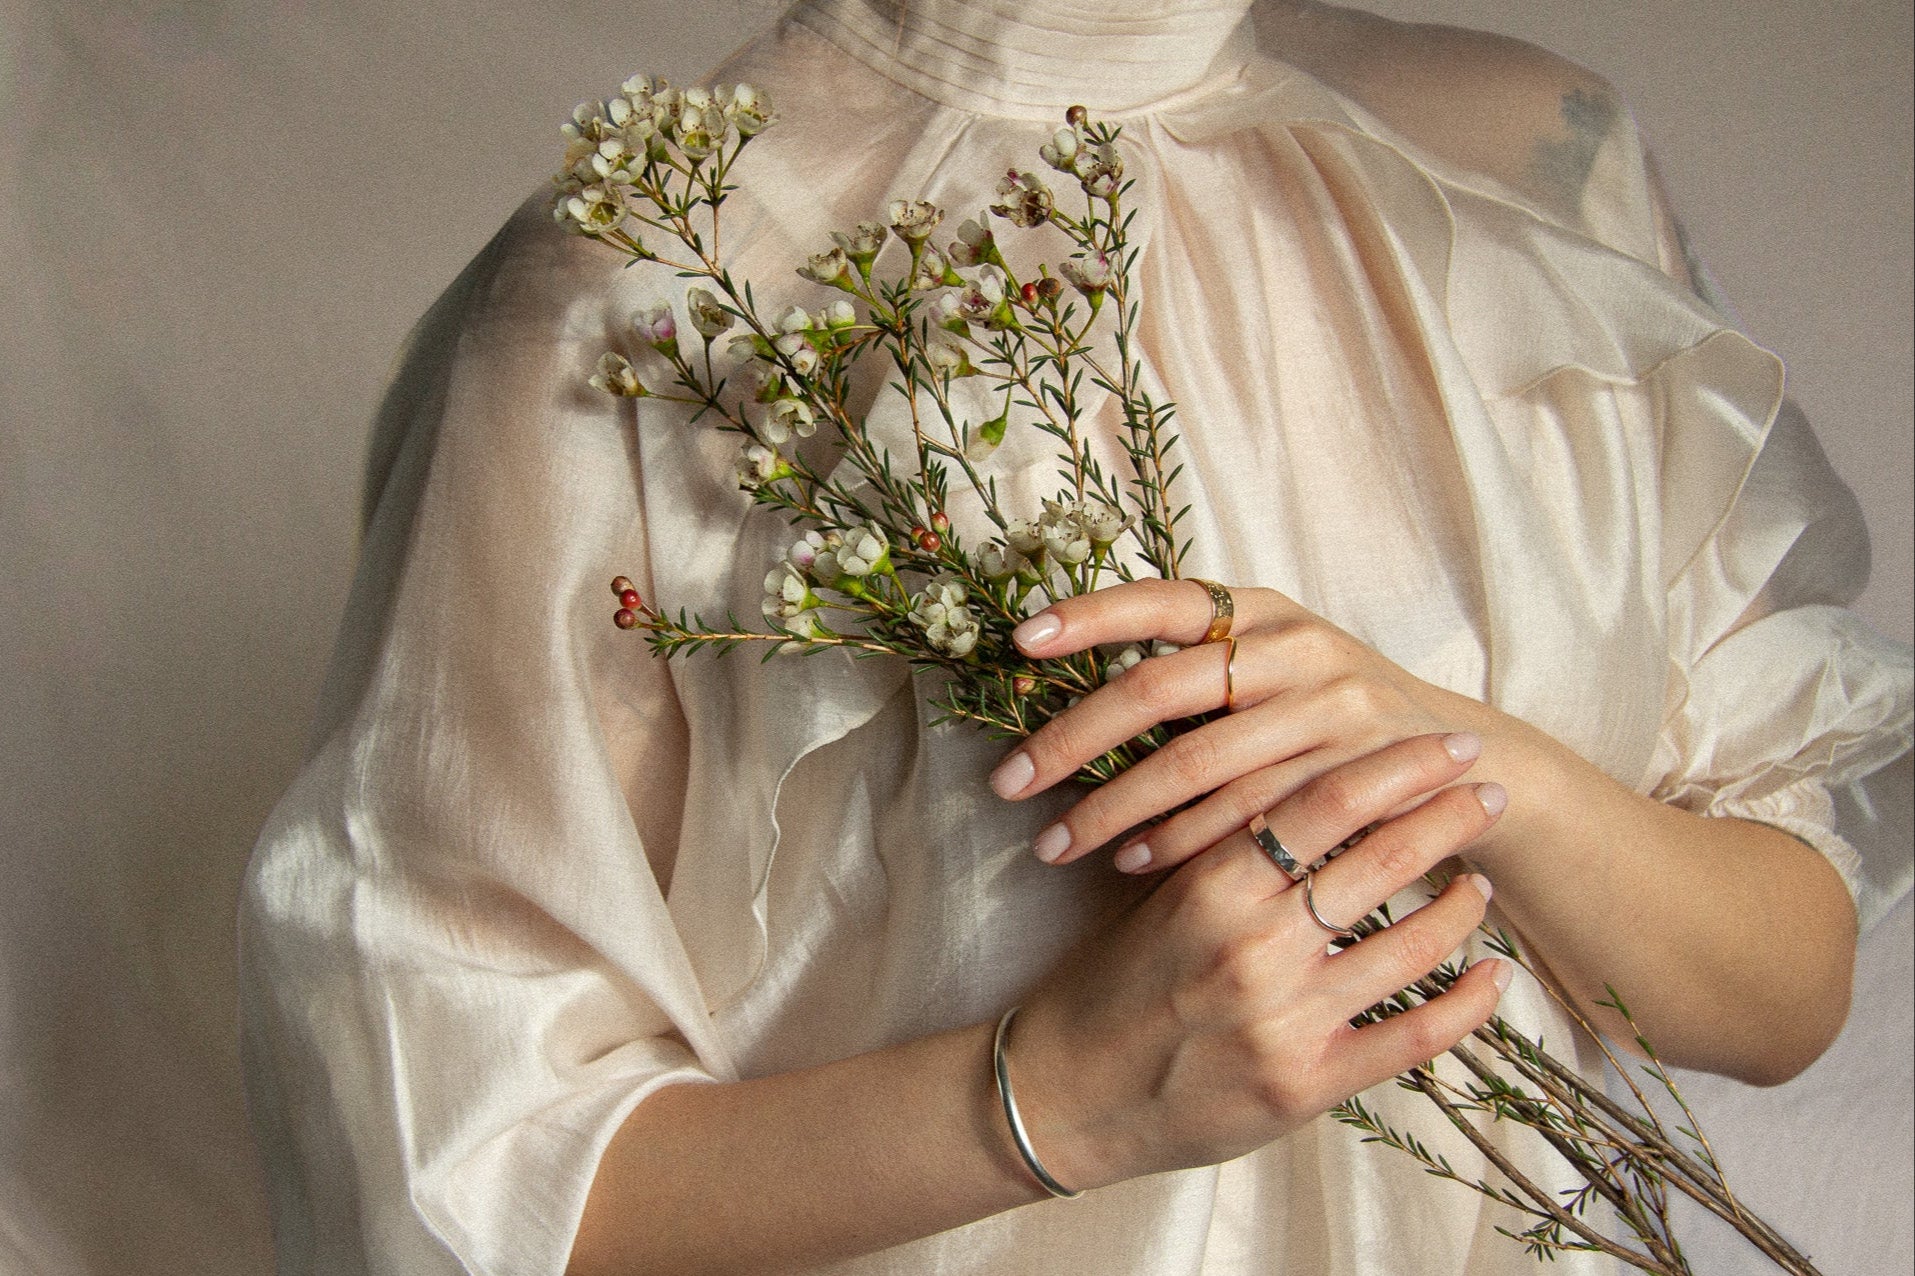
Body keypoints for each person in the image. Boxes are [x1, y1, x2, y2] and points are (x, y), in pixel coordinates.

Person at [238, 1, 1914, 1273]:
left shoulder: (1532, 157)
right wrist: (1060, 1095)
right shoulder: (635, 289)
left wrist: (1457, 770)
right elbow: (447, 1158)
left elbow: (1780, 995)